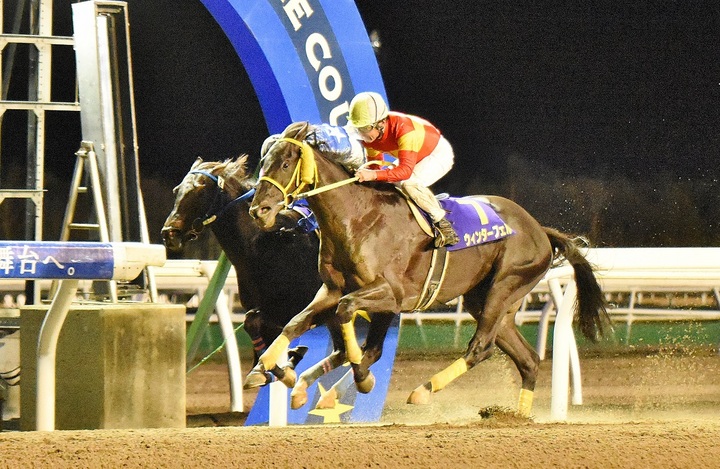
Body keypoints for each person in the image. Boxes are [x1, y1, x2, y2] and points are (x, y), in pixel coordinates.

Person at [347, 91, 459, 247]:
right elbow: (375, 166)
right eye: (358, 128)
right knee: (386, 182)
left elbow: (404, 172)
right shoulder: (369, 137)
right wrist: (369, 176)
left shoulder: (404, 129)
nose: (361, 133)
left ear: (381, 123)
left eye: (365, 128)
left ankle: (444, 226)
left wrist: (372, 175)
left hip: (437, 154)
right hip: (414, 154)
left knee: (408, 183)